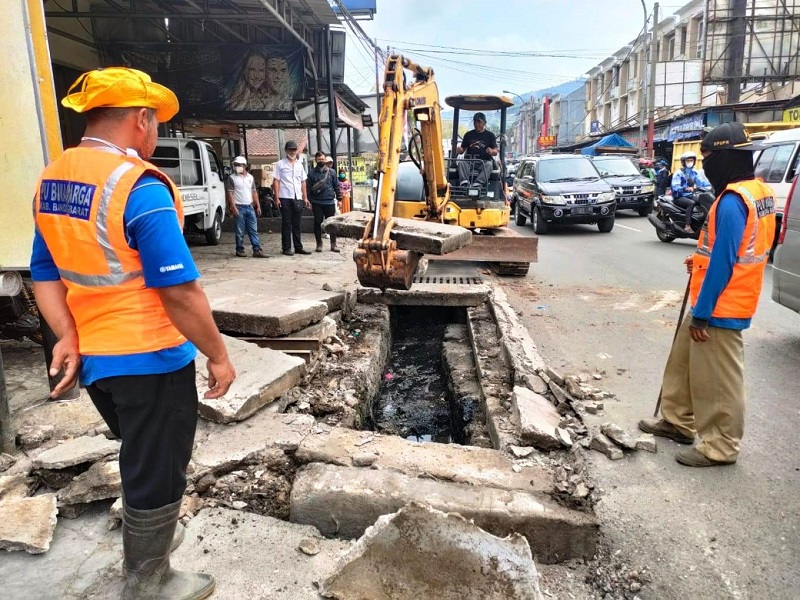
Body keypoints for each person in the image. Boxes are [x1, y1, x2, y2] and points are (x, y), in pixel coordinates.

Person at [31, 67, 236, 598]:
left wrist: (67, 337)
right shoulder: (138, 187)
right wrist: (218, 355)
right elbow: (180, 293)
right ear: (141, 120)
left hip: (96, 362)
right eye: (155, 124)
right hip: (150, 357)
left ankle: (148, 550)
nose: (155, 136)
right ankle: (148, 581)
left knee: (140, 455)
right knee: (158, 469)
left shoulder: (54, 178)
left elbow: (45, 272)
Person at [639, 122, 776, 468]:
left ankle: (720, 446)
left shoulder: (733, 202)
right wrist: (698, 261)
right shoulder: (757, 191)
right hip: (715, 294)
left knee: (719, 379)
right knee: (682, 361)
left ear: (726, 158)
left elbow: (726, 262)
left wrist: (703, 312)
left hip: (721, 303)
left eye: (710, 157)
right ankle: (677, 421)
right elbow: (723, 252)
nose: (706, 164)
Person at [272, 140, 311, 256]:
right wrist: (277, 197)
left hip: (297, 197)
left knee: (297, 224)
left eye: (294, 150)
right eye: (290, 150)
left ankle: (298, 247)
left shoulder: (299, 165)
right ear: (286, 150)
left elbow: (303, 182)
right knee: (286, 223)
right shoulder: (280, 164)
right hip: (285, 197)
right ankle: (286, 248)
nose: (292, 152)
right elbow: (276, 181)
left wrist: (305, 197)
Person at [226, 156, 266, 258]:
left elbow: (254, 192)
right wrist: (233, 207)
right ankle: (239, 249)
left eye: (239, 165)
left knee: (253, 230)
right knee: (240, 230)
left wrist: (258, 205)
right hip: (239, 206)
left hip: (249, 206)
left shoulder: (250, 178)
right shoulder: (232, 178)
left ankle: (256, 249)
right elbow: (230, 194)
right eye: (235, 165)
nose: (236, 167)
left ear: (244, 166)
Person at [307, 151, 342, 253]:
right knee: (317, 223)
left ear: (325, 160)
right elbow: (308, 188)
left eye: (322, 159)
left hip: (329, 201)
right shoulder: (311, 173)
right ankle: (319, 244)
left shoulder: (332, 172)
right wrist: (309, 201)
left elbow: (336, 186)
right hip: (316, 202)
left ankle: (333, 244)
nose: (321, 161)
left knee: (332, 223)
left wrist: (339, 199)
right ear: (316, 160)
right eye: (319, 160)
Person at [672, 151, 711, 233]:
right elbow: (675, 187)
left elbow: (702, 183)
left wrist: (713, 183)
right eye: (688, 161)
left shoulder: (694, 172)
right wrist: (685, 189)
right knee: (691, 203)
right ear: (683, 162)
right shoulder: (679, 173)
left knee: (703, 200)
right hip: (679, 196)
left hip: (690, 195)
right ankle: (687, 225)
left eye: (691, 160)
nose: (690, 162)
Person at [456, 112, 498, 187]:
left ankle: (478, 183)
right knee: (461, 163)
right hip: (470, 161)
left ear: (484, 122)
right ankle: (464, 183)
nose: (476, 124)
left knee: (489, 165)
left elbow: (495, 151)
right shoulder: (468, 135)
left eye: (479, 122)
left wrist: (491, 151)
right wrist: (460, 149)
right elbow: (463, 149)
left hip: (483, 162)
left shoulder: (490, 135)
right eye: (475, 122)